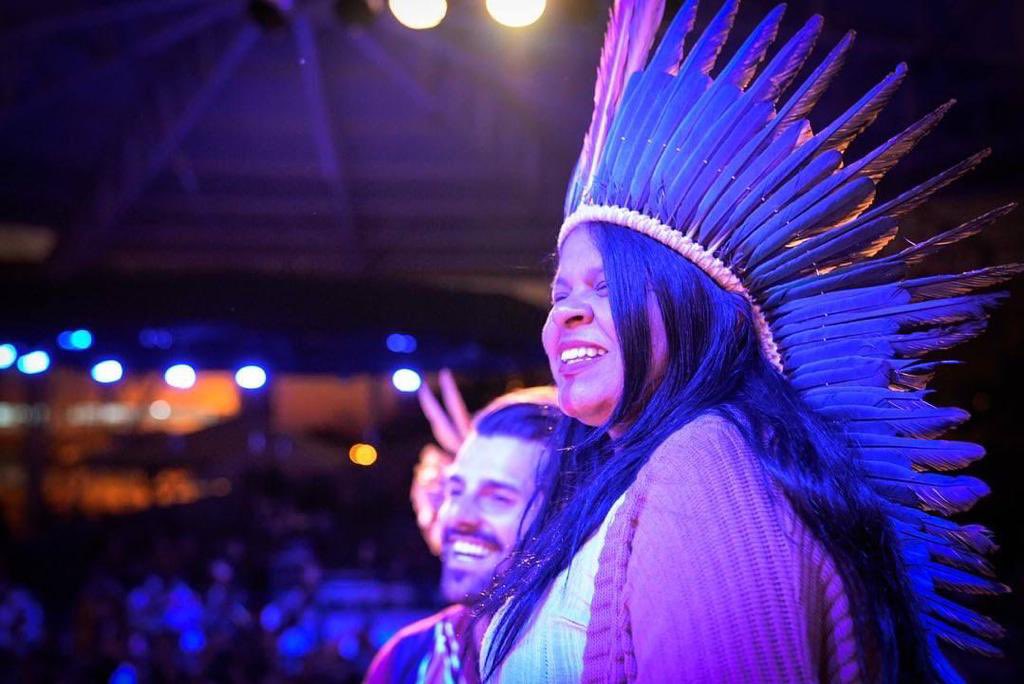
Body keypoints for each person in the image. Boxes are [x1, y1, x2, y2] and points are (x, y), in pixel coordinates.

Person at [477, 1, 1017, 682]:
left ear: (701, 311)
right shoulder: (661, 473)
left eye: (606, 286)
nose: (567, 315)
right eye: (560, 295)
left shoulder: (708, 469)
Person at [365, 379, 559, 684]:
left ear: (563, 514)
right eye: (455, 491)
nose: (458, 517)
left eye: (498, 498)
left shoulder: (598, 659)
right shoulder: (407, 659)